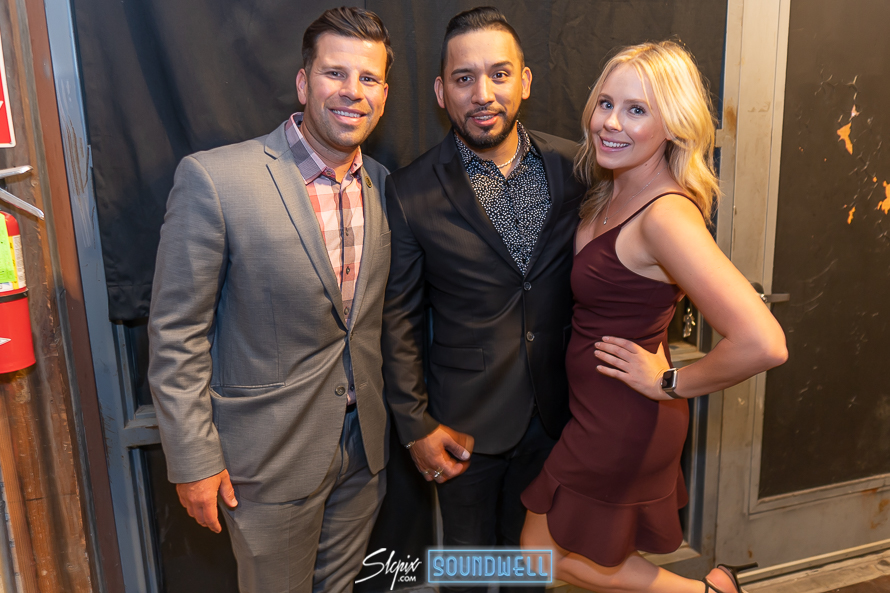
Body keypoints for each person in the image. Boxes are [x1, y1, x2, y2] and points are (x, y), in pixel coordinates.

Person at [519, 41, 788, 593]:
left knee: (538, 558)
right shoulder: (612, 190)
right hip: (600, 411)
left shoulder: (665, 216)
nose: (610, 122)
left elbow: (764, 342)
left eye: (637, 110)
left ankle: (709, 592)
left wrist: (670, 381)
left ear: (673, 125)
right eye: (606, 103)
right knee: (600, 553)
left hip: (624, 422)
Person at [147, 7, 393, 592]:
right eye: (335, 73)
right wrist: (194, 460)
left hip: (364, 452)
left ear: (384, 95)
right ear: (304, 83)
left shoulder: (384, 184)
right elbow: (177, 333)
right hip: (265, 464)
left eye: (369, 78)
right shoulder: (216, 180)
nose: (352, 91)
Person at [382, 7, 585, 591]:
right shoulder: (410, 190)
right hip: (462, 425)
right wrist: (416, 425)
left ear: (525, 81)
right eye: (464, 78)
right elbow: (397, 319)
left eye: (499, 74)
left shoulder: (578, 168)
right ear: (441, 92)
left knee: (532, 569)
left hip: (557, 416)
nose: (483, 94)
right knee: (467, 573)